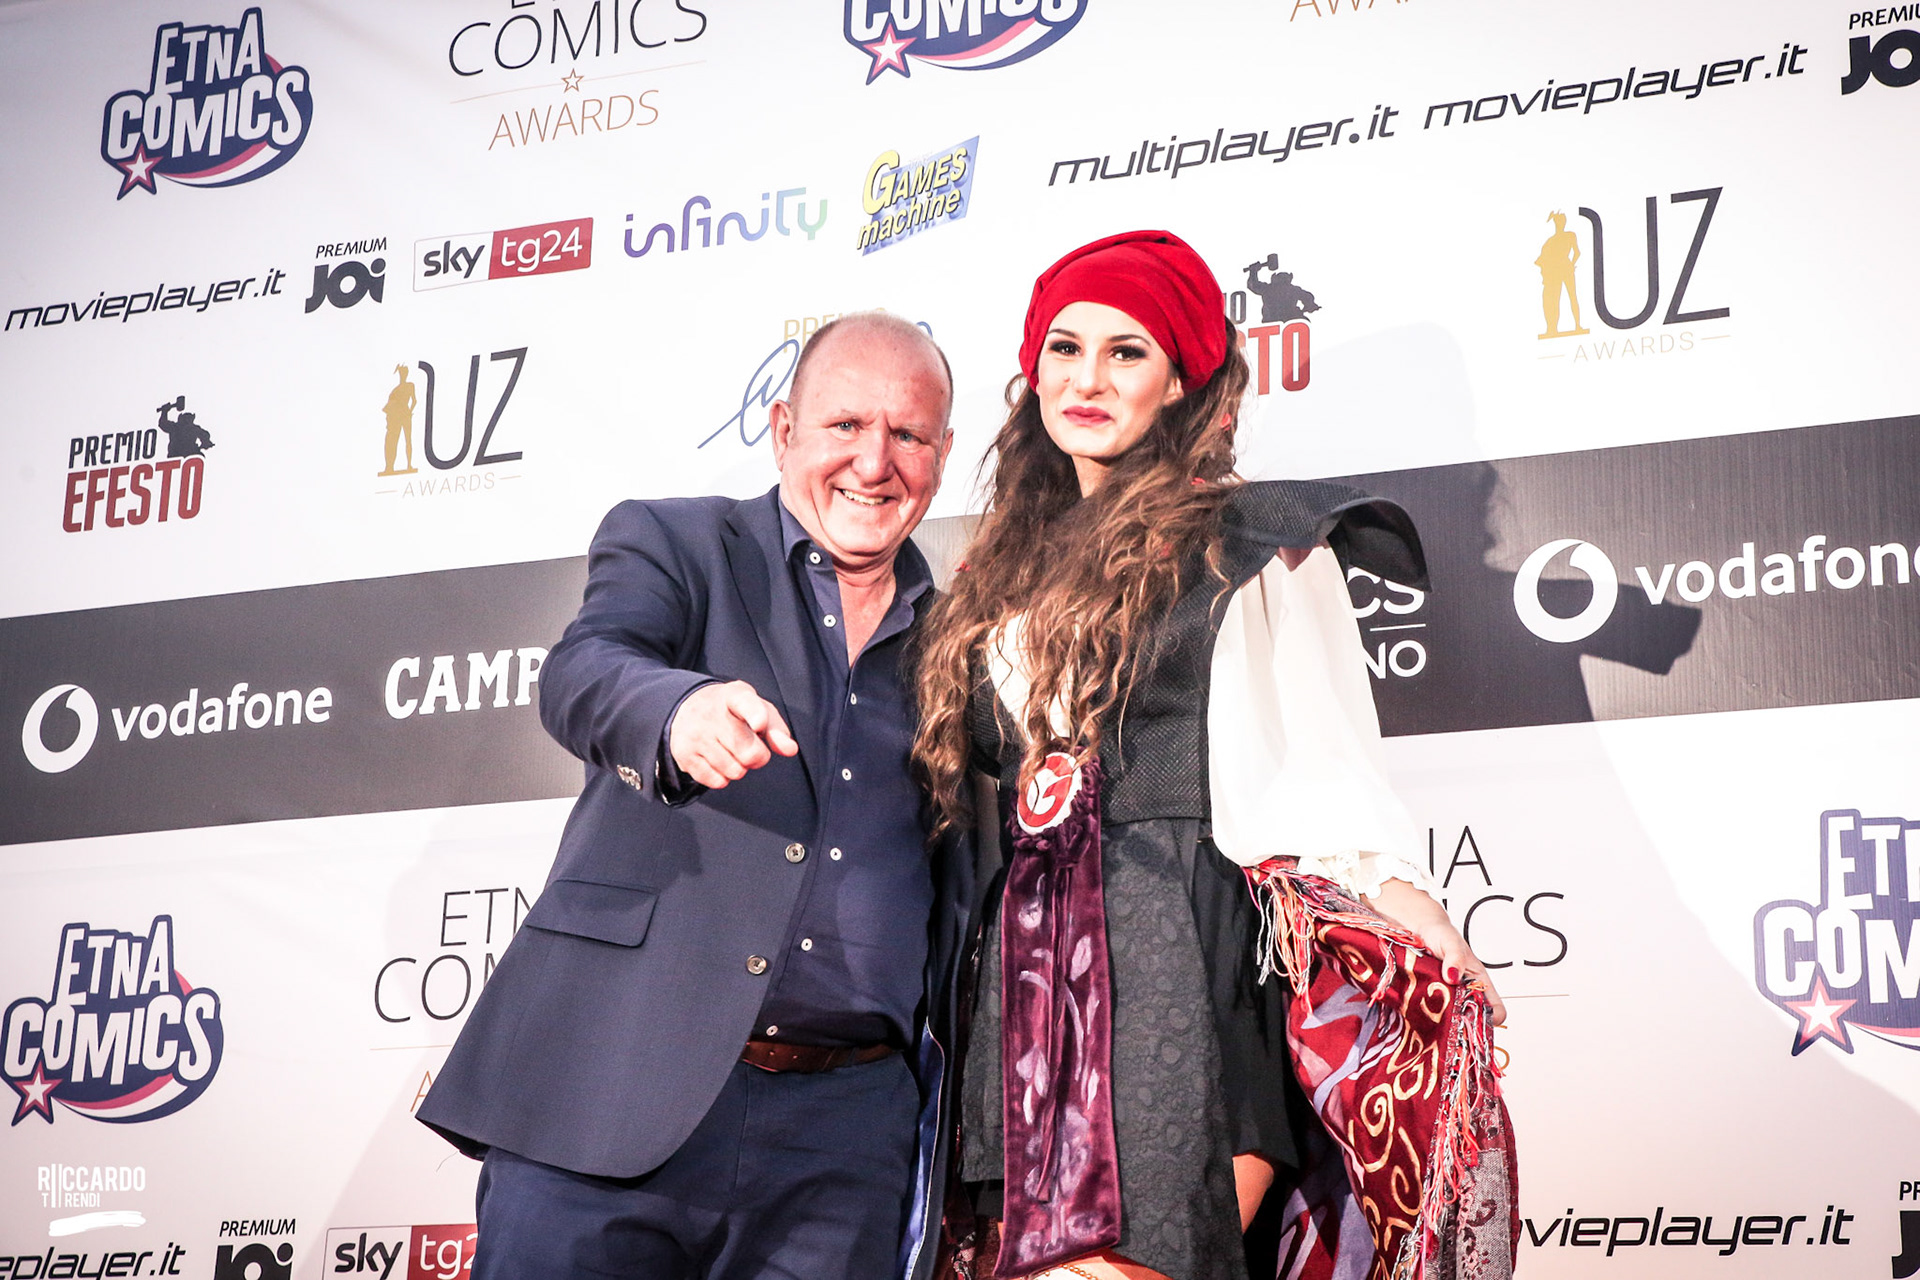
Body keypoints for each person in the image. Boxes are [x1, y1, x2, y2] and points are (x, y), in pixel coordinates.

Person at [912, 232, 1517, 1280]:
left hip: (1179, 963)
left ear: (1185, 381)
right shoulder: (990, 572)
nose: (1087, 379)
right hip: (1017, 990)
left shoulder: (1252, 539)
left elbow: (1323, 759)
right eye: (1064, 348)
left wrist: (1410, 904)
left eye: (1126, 352)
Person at [418, 311, 974, 1280]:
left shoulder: (964, 639)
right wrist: (675, 713)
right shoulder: (679, 541)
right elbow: (584, 670)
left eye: (908, 435)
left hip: (843, 1148)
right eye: (845, 425)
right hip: (610, 1086)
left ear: (943, 452)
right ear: (783, 428)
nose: (874, 461)